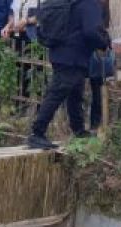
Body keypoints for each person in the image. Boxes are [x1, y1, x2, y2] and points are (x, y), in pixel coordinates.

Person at [27, 0, 110, 149]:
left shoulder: (71, 2)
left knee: (75, 92)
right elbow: (91, 31)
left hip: (61, 52)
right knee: (56, 92)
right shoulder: (89, 4)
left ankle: (78, 130)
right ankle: (37, 133)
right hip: (73, 56)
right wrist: (104, 42)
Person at [86, 0, 113, 131]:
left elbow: (100, 28)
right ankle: (93, 126)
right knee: (95, 91)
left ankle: (94, 126)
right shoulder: (95, 6)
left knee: (97, 92)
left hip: (94, 52)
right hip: (93, 51)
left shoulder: (99, 6)